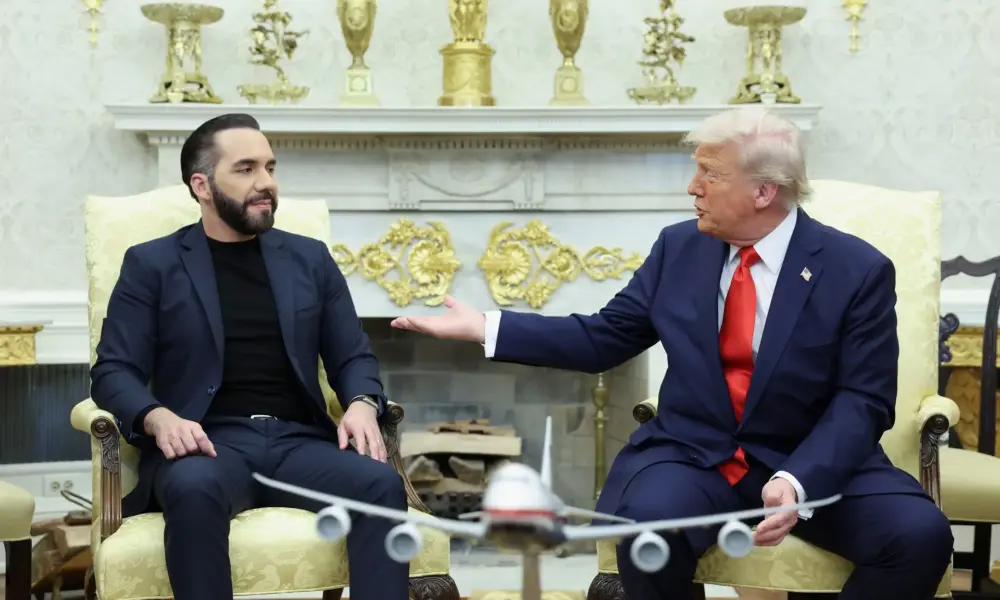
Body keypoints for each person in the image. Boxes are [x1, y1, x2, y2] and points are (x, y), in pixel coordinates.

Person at [391, 106, 954, 600]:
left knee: (918, 536)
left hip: (806, 456)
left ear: (764, 191)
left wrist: (797, 481)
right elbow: (603, 337)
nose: (693, 187)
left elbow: (864, 399)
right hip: (694, 453)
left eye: (709, 173)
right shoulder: (679, 248)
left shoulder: (855, 270)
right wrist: (485, 327)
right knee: (647, 530)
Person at [91, 113, 408, 600]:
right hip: (207, 444)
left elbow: (352, 356)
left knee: (380, 487)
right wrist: (157, 418)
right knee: (193, 489)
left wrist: (364, 401)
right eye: (246, 169)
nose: (266, 184)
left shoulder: (311, 258)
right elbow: (113, 370)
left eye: (271, 168)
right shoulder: (151, 264)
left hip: (300, 442)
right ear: (201, 185)